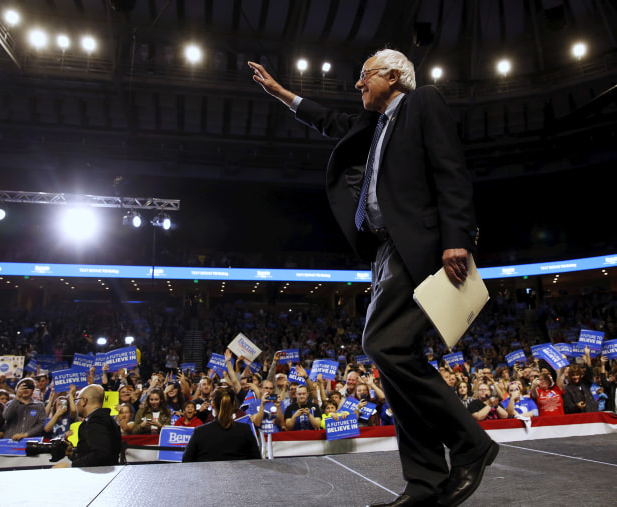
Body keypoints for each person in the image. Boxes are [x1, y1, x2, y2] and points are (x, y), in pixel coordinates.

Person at [250, 49, 498, 506]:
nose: (358, 84)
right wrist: (282, 94)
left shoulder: (423, 102)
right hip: (382, 251)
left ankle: (471, 444)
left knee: (381, 344)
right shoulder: (372, 127)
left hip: (418, 246)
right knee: (391, 356)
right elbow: (328, 121)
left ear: (392, 76)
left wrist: (457, 236)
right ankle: (424, 482)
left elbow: (451, 169)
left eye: (364, 76)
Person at [181, 385, 261, 463]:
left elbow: (186, 461)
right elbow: (256, 461)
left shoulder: (200, 432)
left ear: (212, 405)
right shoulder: (245, 430)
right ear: (233, 404)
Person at [52, 384, 122, 468]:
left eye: (77, 400)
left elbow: (101, 454)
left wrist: (70, 466)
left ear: (84, 400)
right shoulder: (102, 418)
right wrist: (74, 451)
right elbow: (95, 450)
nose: (76, 404)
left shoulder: (97, 419)